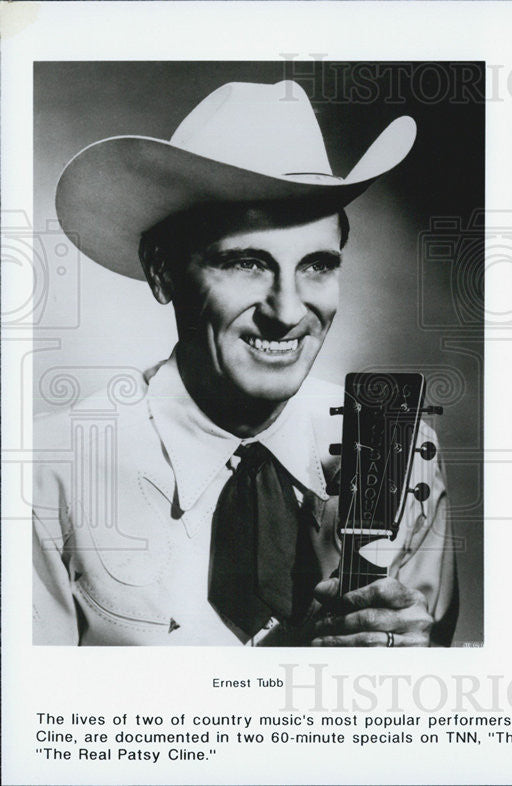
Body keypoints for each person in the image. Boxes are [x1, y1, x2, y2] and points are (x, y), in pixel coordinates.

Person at [32, 80, 456, 646]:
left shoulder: (397, 450)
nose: (287, 312)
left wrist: (416, 675)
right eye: (248, 263)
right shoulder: (49, 474)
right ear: (163, 272)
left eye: (317, 266)